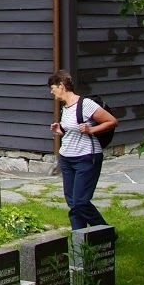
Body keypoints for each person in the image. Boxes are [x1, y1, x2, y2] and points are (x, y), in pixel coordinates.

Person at [47, 70, 116, 230]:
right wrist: (60, 130)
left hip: (86, 158)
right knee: (72, 202)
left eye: (52, 88)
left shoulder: (86, 104)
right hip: (66, 159)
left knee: (80, 202)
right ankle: (79, 237)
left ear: (61, 86)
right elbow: (73, 130)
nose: (51, 92)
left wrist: (91, 130)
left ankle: (105, 232)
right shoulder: (65, 107)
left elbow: (111, 121)